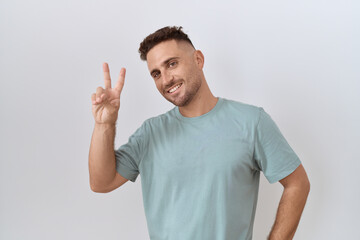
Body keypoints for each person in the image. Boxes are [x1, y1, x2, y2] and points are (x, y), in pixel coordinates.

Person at [88, 26, 310, 240]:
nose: (166, 80)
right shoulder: (150, 133)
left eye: (172, 64)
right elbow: (101, 183)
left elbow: (297, 183)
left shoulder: (252, 122)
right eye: (156, 73)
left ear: (198, 60)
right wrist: (104, 124)